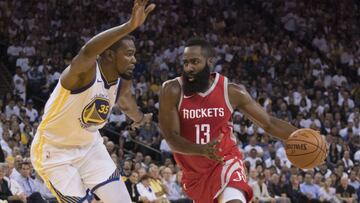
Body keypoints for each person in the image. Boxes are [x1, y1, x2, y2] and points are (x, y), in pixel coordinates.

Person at [30, 0, 155, 202]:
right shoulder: (84, 74)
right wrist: (129, 26)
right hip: (54, 152)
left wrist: (140, 119)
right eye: (129, 54)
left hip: (90, 148)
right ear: (109, 54)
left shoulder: (121, 83)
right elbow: (87, 51)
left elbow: (127, 104)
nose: (134, 60)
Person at [159, 38, 299, 203]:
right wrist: (201, 150)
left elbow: (269, 123)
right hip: (194, 173)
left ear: (209, 62)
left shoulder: (231, 91)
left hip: (226, 161)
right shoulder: (172, 90)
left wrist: (303, 135)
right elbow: (171, 138)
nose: (189, 67)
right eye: (186, 63)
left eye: (195, 62)